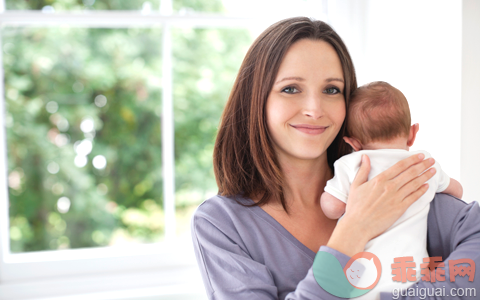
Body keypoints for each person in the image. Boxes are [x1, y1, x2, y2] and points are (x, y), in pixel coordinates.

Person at [191, 17, 480, 300]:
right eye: (290, 89)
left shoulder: (389, 183)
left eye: (331, 90)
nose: (315, 109)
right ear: (256, 99)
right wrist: (355, 228)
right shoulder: (222, 224)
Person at [320, 81, 463, 298]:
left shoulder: (353, 164)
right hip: (412, 275)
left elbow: (332, 207)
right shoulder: (425, 164)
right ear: (412, 133)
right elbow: (457, 191)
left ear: (353, 143)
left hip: (364, 277)